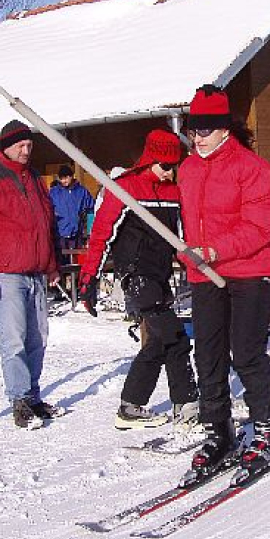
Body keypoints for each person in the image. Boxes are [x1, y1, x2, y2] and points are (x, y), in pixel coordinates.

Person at [178, 84, 270, 478]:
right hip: (205, 274)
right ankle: (219, 431)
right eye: (194, 130)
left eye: (206, 129)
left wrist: (213, 250)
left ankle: (268, 429)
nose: (198, 137)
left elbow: (260, 227)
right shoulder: (188, 169)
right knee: (207, 356)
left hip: (250, 271)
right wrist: (190, 252)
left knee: (246, 353)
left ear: (225, 129)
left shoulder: (254, 169)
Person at [78, 130, 200, 431]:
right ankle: (187, 405)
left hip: (160, 275)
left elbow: (183, 240)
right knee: (175, 337)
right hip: (136, 276)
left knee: (157, 342)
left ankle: (130, 407)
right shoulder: (126, 188)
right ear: (149, 161)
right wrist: (88, 279)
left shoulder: (173, 192)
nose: (169, 172)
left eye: (174, 166)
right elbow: (101, 235)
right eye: (164, 166)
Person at [0, 119, 64, 430]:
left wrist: (53, 264)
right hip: (6, 273)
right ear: (6, 146)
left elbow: (48, 225)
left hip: (36, 272)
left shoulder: (35, 178)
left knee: (38, 338)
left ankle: (33, 396)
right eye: (20, 145)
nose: (26, 150)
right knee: (15, 339)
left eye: (29, 145)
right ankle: (19, 399)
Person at [49, 164, 95, 255]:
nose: (64, 181)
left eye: (66, 178)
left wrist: (90, 232)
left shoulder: (82, 191)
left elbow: (91, 211)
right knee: (61, 259)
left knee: (76, 259)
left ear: (71, 176)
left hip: (77, 234)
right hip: (60, 234)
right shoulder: (54, 192)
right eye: (61, 178)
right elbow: (47, 209)